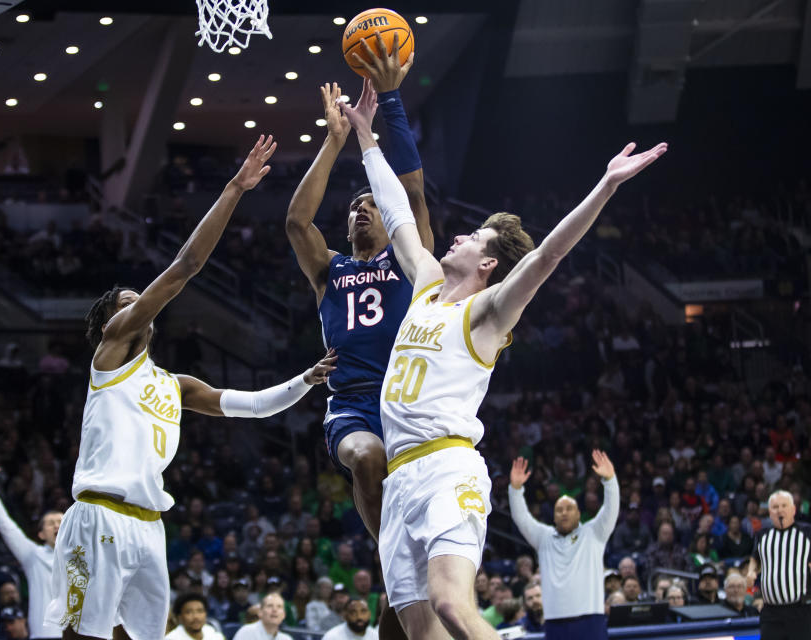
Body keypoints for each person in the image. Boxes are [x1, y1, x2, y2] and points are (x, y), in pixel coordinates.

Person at [340, 71, 665, 640]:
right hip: (400, 478)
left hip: (447, 467)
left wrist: (606, 186)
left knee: (453, 607)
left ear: (488, 264)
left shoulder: (490, 311)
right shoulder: (425, 283)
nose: (457, 239)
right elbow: (396, 214)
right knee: (421, 633)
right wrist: (365, 136)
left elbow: (548, 255)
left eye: (472, 239)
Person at [45, 136, 338, 640]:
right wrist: (235, 189)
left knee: (142, 636)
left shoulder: (174, 385)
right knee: (83, 634)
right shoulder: (110, 355)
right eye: (128, 303)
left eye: (140, 302)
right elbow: (185, 267)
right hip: (98, 516)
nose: (139, 307)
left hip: (148, 525)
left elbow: (252, 406)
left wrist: (305, 380)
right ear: (109, 323)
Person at [285, 36, 432, 543]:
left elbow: (412, 193)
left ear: (392, 224)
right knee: (368, 458)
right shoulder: (331, 269)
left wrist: (390, 105)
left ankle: (405, 574)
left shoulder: (409, 260)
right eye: (353, 207)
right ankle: (387, 552)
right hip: (351, 402)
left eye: (371, 204)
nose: (361, 208)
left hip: (407, 400)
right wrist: (335, 140)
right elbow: (297, 223)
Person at [509, 452, 619, 640]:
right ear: (553, 516)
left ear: (579, 514)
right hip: (555, 622)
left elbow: (611, 508)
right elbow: (521, 518)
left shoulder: (594, 532)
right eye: (559, 510)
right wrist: (516, 489)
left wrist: (610, 480)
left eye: (569, 509)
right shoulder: (543, 537)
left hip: (591, 619)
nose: (564, 513)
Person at [0, 456, 62, 639]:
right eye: (51, 523)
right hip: (44, 636)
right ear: (41, 534)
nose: (56, 526)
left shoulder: (88, 557)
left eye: (61, 522)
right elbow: (6, 526)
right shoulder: (33, 555)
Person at [746, 490, 811, 639]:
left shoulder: (807, 533)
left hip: (800, 610)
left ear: (793, 510)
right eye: (775, 507)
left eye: (784, 506)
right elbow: (755, 557)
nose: (780, 510)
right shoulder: (762, 535)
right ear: (770, 513)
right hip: (771, 612)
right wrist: (751, 572)